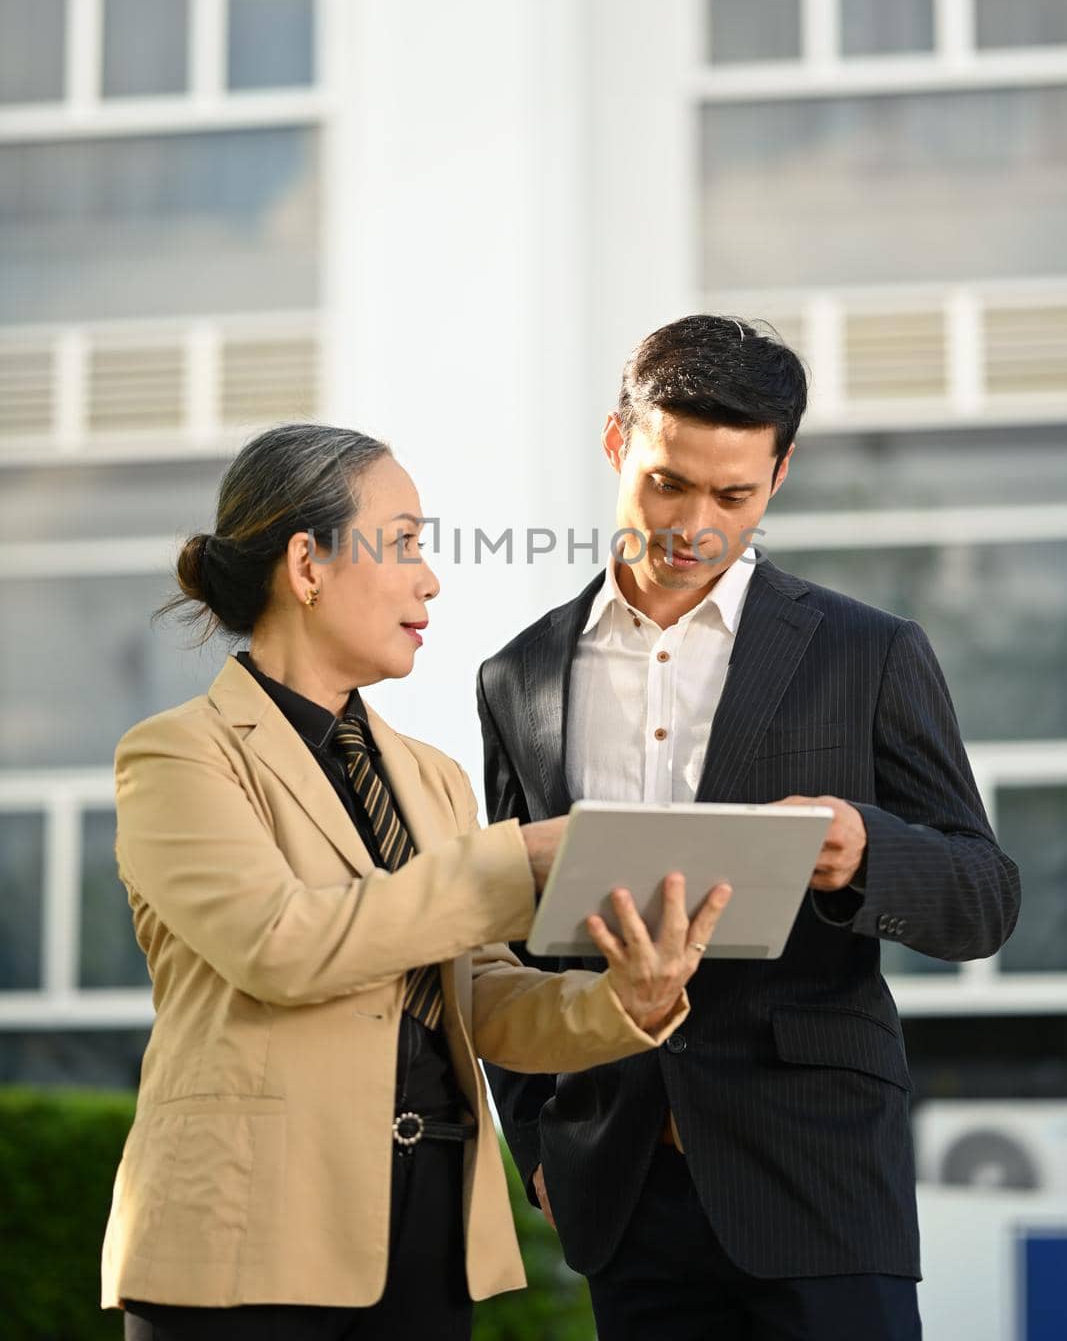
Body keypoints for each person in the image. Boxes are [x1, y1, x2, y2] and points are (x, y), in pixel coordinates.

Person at [100, 422, 732, 1341]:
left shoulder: (432, 775)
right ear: (306, 564)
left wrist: (624, 1002)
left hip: (426, 1233)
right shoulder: (176, 755)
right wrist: (514, 862)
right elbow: (281, 946)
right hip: (244, 1246)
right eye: (402, 543)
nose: (430, 577)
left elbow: (474, 998)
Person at [479, 314, 1022, 1341]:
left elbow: (984, 897)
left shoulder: (865, 651)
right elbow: (511, 930)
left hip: (816, 1173)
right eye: (665, 484)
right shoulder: (518, 675)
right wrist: (540, 1146)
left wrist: (865, 849)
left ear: (777, 475)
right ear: (614, 445)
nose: (693, 523)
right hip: (621, 1181)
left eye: (731, 495)